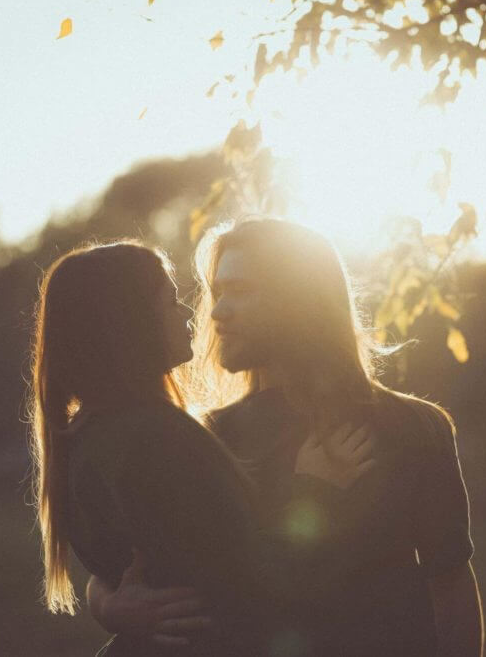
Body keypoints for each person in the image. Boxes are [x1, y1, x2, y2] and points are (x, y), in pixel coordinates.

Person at [90, 220, 484, 656]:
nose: (217, 311)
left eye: (240, 290)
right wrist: (110, 606)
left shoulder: (412, 427)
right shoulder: (202, 439)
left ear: (300, 301)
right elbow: (129, 568)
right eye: (217, 292)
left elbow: (449, 585)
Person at [28, 240, 376, 656]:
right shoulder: (158, 440)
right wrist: (314, 487)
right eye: (171, 301)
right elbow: (250, 584)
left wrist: (108, 604)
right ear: (132, 323)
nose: (195, 314)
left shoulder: (82, 435)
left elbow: (162, 565)